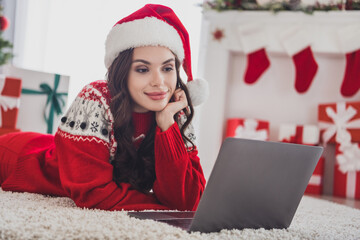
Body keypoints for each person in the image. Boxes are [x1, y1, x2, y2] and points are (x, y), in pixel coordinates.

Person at [0, 4, 208, 211]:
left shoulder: (173, 110)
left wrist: (167, 125)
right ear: (122, 72)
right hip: (15, 158)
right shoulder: (95, 97)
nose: (159, 82)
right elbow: (93, 195)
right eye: (143, 69)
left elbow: (189, 201)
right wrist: (161, 208)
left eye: (167, 68)